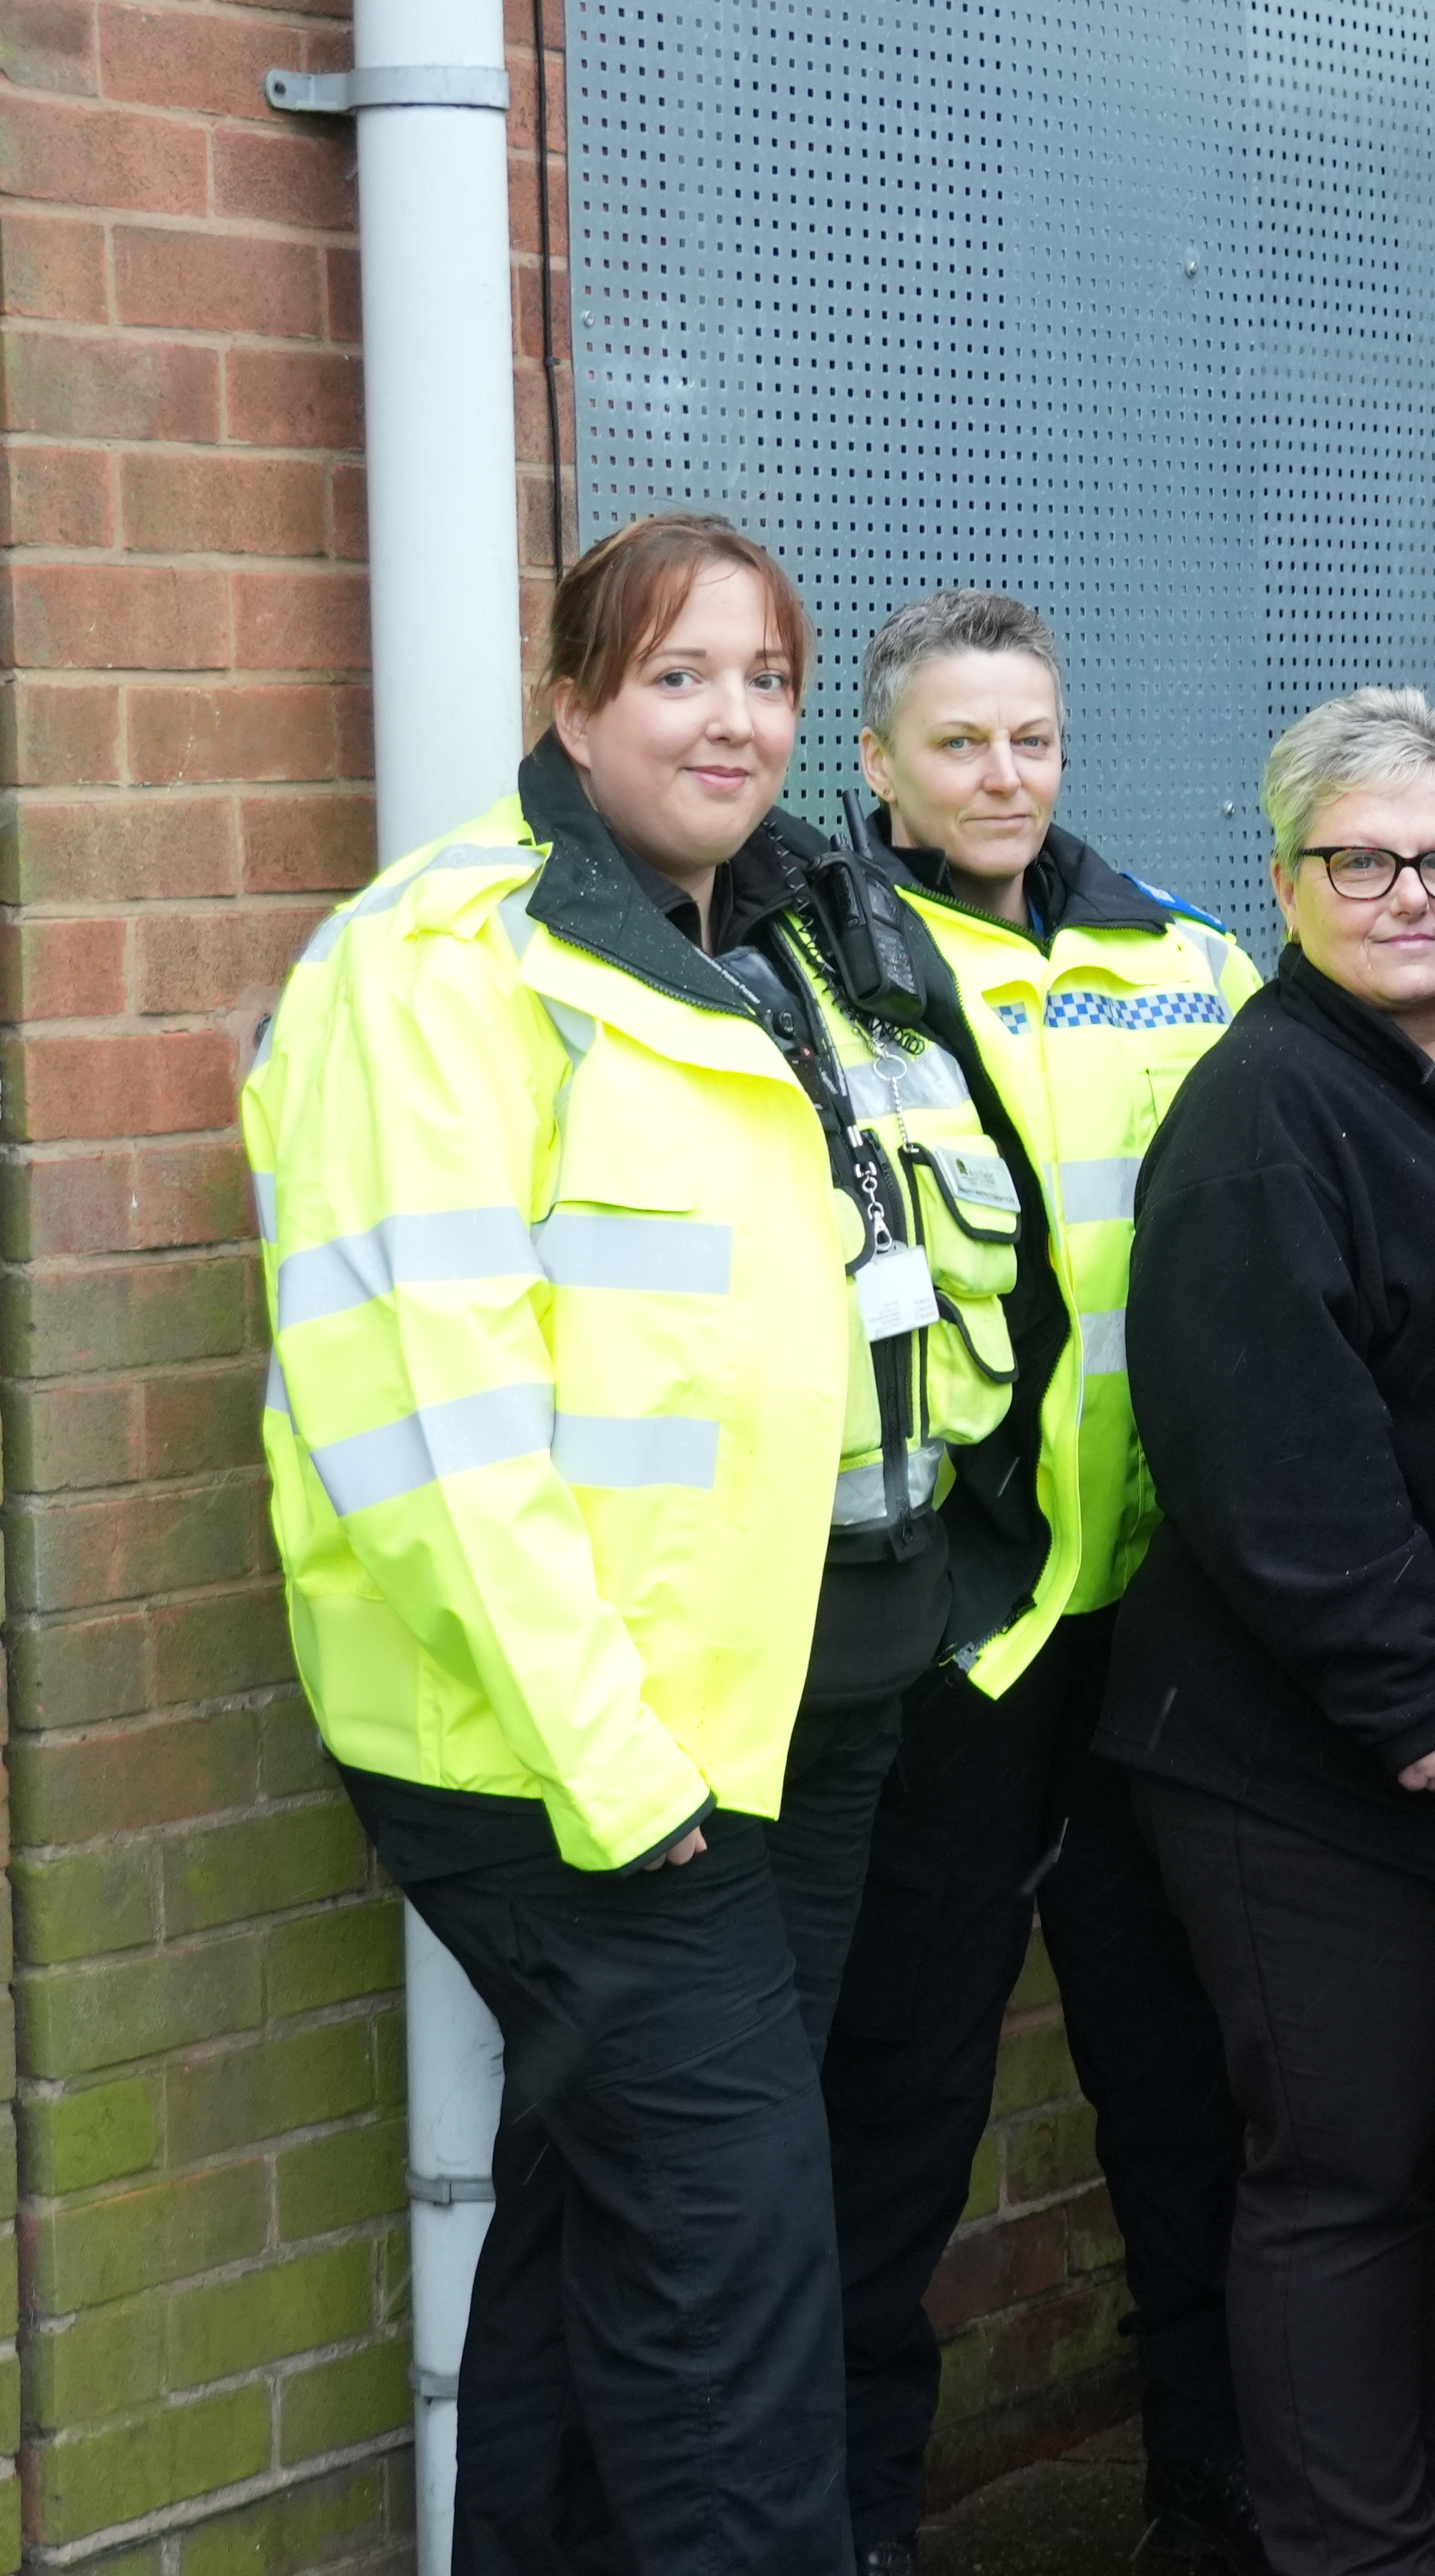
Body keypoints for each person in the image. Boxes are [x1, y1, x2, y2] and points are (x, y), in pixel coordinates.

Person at [244, 511, 1021, 2574]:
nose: (734, 719)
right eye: (678, 674)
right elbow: (430, 1420)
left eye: (767, 677)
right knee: (736, 2282)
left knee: (620, 2223)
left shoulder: (792, 941)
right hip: (590, 1763)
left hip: (807, 1713)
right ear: (572, 702)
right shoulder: (442, 966)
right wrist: (625, 1777)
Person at [1099, 688, 1435, 2576]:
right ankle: (1342, 2547)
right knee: (1343, 2177)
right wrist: (1416, 1695)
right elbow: (1265, 1451)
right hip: (1309, 1772)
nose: (1410, 892)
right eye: (1362, 859)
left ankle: (1422, 2524)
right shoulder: (1261, 1117)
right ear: (1286, 874)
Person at [818, 590, 1263, 2576]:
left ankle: (1219, 2501)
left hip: (1159, 1625)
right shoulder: (814, 970)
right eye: (961, 744)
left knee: (1186, 2097)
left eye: (1033, 740)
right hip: (961, 1647)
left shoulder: (1187, 959)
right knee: (895, 2118)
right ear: (880, 767)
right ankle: (852, 2525)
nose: (1004, 777)